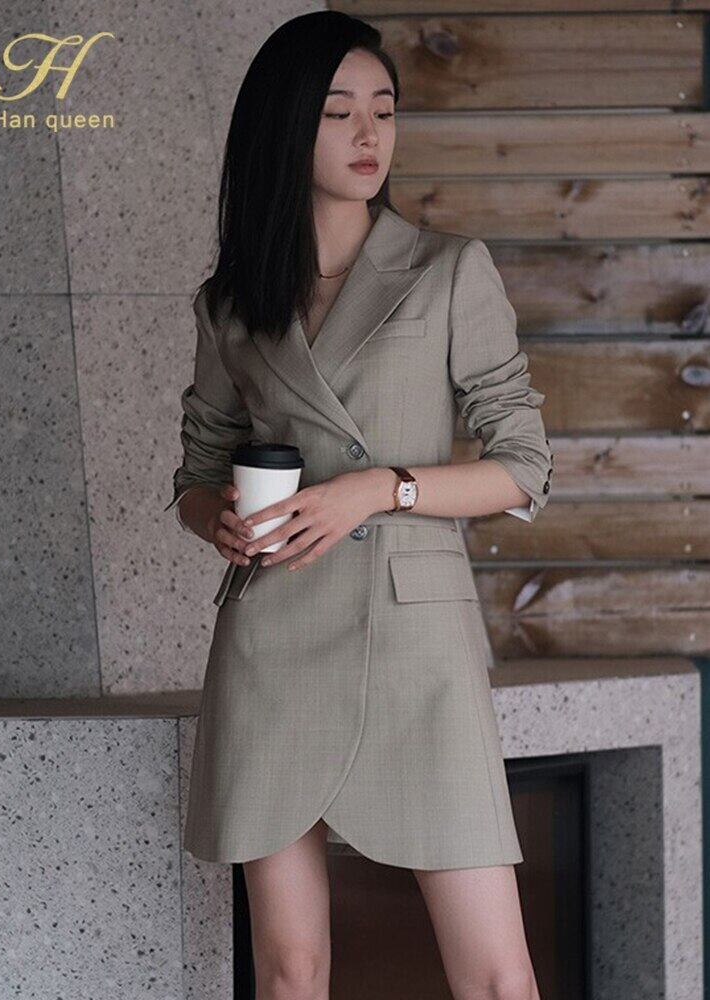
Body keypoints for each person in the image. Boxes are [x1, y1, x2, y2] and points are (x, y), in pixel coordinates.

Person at [165, 11, 551, 1000]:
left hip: (417, 645)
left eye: (384, 108)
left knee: (498, 976)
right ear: (285, 128)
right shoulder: (233, 302)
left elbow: (523, 467)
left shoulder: (449, 269)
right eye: (338, 113)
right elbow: (197, 469)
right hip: (274, 637)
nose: (370, 133)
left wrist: (384, 488)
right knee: (290, 971)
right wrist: (215, 517)